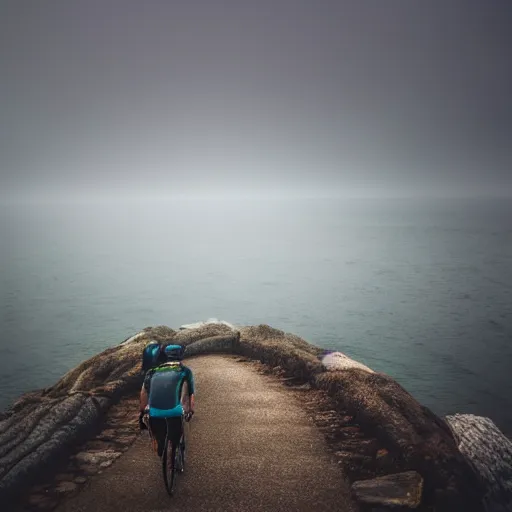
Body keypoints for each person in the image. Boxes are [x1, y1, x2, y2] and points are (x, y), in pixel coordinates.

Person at [139, 344, 195, 457]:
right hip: (175, 412)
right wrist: (191, 410)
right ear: (180, 356)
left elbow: (143, 393)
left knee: (159, 432)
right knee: (177, 431)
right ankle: (175, 450)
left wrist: (143, 411)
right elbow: (190, 394)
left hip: (154, 413)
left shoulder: (151, 371)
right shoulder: (185, 371)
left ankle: (161, 444)